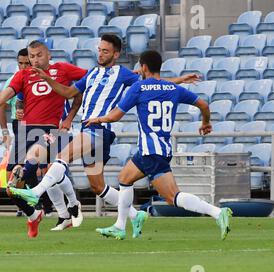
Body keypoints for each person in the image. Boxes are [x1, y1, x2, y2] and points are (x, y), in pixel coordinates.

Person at [9, 34, 200, 239]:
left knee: (62, 157)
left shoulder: (123, 73)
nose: (100, 54)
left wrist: (179, 80)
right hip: (89, 128)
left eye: (105, 51)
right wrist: (48, 79)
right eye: (99, 50)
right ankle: (136, 215)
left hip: (99, 129)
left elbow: (153, 83)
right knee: (98, 186)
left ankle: (35, 192)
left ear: (116, 54)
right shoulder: (91, 74)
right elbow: (68, 92)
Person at [83, 50, 232, 240]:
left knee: (172, 197)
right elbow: (203, 104)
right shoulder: (173, 89)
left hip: (150, 152)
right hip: (160, 148)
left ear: (144, 67)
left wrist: (98, 119)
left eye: (139, 66)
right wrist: (205, 123)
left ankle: (217, 213)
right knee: (125, 178)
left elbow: (116, 115)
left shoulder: (139, 88)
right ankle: (121, 225)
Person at [0, 40, 87, 237]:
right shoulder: (23, 75)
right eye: (32, 56)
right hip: (25, 132)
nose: (35, 60)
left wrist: (71, 116)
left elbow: (91, 80)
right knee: (11, 186)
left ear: (48, 55)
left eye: (39, 55)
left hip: (51, 130)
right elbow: (0, 99)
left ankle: (70, 206)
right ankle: (34, 214)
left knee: (31, 164)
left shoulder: (62, 70)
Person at [0, 48, 30, 217]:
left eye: (27, 63)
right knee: (16, 169)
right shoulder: (12, 80)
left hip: (36, 124)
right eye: (20, 63)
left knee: (36, 167)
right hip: (19, 126)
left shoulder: (38, 79)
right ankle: (24, 205)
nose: (23, 66)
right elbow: (1, 106)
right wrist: (4, 131)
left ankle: (45, 206)